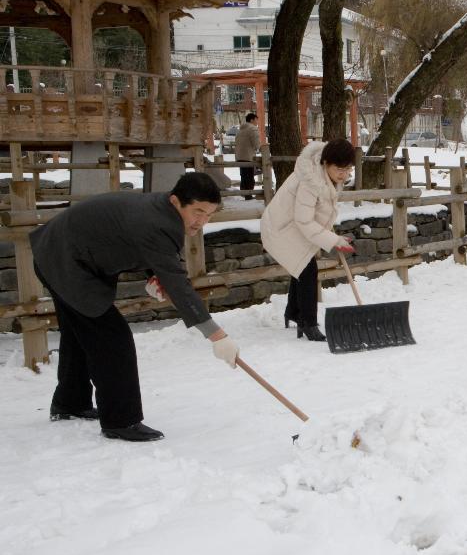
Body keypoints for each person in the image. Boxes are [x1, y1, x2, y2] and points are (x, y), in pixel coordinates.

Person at [30, 173, 240, 442]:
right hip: (65, 261)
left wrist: (155, 273)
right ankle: (121, 420)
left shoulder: (162, 210)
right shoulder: (159, 222)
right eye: (197, 211)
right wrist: (217, 336)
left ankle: (70, 403)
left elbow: (144, 245)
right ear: (176, 201)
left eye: (209, 215)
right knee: (113, 339)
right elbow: (178, 284)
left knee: (80, 332)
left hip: (60, 252)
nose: (201, 221)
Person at [261, 138, 356, 341]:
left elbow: (319, 212)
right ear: (325, 163)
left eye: (348, 170)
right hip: (280, 228)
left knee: (303, 264)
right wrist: (334, 240)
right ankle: (308, 323)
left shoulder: (327, 176)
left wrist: (335, 237)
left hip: (292, 225)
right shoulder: (311, 181)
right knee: (308, 269)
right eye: (340, 169)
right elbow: (304, 220)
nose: (345, 175)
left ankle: (293, 313)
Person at [234, 112, 261, 194]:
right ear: (252, 120)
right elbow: (256, 144)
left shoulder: (240, 130)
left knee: (243, 176)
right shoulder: (253, 129)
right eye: (256, 120)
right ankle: (248, 194)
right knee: (249, 176)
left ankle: (243, 192)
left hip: (239, 156)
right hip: (248, 156)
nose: (257, 122)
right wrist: (260, 148)